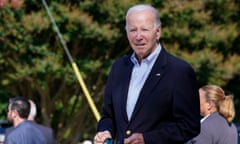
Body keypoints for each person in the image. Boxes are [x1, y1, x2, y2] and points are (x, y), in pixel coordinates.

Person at [94, 4, 200, 144]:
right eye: (133, 30)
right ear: (126, 33)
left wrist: (147, 139)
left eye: (144, 29)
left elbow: (189, 126)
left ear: (158, 32)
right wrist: (105, 131)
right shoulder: (119, 67)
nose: (138, 36)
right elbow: (108, 116)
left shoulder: (179, 71)